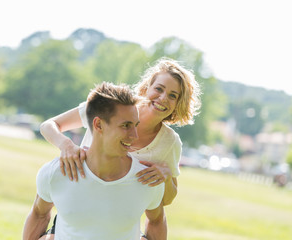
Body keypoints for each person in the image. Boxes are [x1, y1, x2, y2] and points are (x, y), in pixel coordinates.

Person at [40, 57, 201, 203]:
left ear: (178, 103)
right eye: (159, 89)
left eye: (173, 96)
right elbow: (48, 125)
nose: (164, 98)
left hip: (122, 220)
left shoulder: (170, 142)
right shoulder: (109, 106)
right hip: (78, 205)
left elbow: (166, 201)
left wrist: (165, 178)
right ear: (147, 87)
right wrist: (66, 145)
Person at [23, 82, 166, 240]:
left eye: (135, 125)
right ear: (98, 125)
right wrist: (65, 144)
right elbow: (39, 214)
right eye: (126, 126)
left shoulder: (146, 179)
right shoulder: (56, 172)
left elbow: (157, 221)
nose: (134, 135)